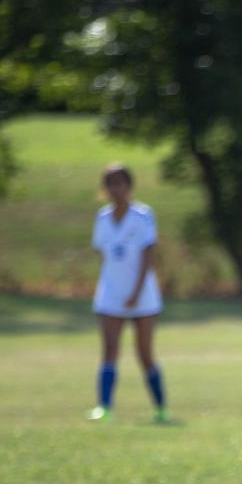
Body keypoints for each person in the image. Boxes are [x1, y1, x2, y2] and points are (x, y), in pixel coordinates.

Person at [89, 164, 168, 422]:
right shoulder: (102, 218)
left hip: (142, 295)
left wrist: (135, 292)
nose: (116, 189)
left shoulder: (143, 215)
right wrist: (111, 287)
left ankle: (160, 407)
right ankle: (105, 407)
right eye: (111, 183)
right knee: (110, 349)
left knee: (144, 353)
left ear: (129, 186)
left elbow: (147, 256)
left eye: (120, 183)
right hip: (111, 294)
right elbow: (104, 255)